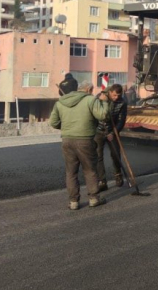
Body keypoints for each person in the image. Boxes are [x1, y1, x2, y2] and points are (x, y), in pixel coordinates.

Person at [50, 81, 110, 210]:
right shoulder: (90, 100)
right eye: (92, 90)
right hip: (85, 140)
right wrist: (104, 102)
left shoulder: (60, 102)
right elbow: (103, 115)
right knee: (90, 170)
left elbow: (53, 123)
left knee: (71, 172)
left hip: (67, 140)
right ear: (89, 89)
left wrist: (67, 127)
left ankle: (73, 202)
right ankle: (93, 198)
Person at [95, 84, 128, 191]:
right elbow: (93, 114)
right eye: (114, 95)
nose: (116, 98)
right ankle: (102, 180)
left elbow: (121, 120)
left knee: (115, 154)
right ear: (109, 92)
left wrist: (113, 133)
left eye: (118, 95)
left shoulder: (122, 102)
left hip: (112, 131)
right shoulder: (99, 98)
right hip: (98, 131)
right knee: (98, 156)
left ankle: (118, 174)